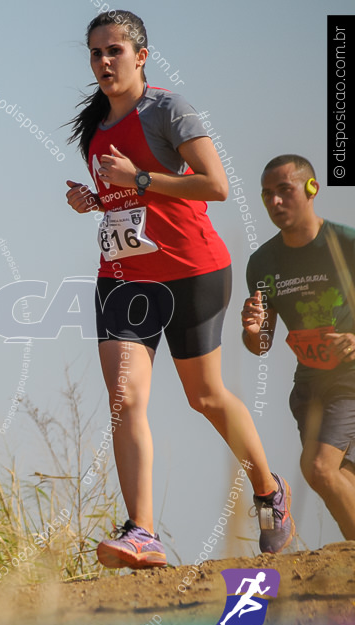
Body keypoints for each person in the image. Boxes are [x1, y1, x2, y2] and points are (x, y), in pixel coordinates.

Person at [64, 9, 294, 569]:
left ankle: (269, 492)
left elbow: (214, 185)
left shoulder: (169, 109)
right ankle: (142, 532)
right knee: (125, 400)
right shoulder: (94, 126)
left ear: (141, 56)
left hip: (192, 270)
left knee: (204, 397)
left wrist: (137, 178)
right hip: (123, 276)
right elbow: (126, 200)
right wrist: (95, 200)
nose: (103, 62)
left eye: (114, 50)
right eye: (95, 52)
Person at [243, 154, 355, 541]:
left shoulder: (346, 243)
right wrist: (253, 328)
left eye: (284, 191)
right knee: (334, 477)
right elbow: (261, 345)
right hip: (308, 384)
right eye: (267, 195)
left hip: (349, 378)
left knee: (319, 468)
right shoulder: (262, 263)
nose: (275, 202)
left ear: (311, 190)